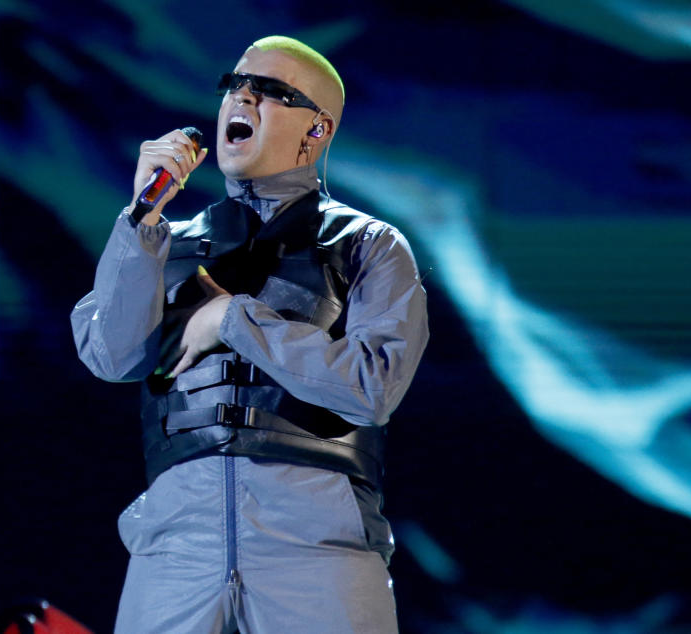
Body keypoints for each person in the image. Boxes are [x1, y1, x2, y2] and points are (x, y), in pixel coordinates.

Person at [71, 35, 428, 634]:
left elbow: (375, 386)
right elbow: (109, 353)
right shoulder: (164, 240)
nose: (242, 96)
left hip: (320, 550)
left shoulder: (369, 245)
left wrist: (233, 319)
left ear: (315, 132)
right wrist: (141, 218)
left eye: (268, 90)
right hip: (175, 552)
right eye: (235, 84)